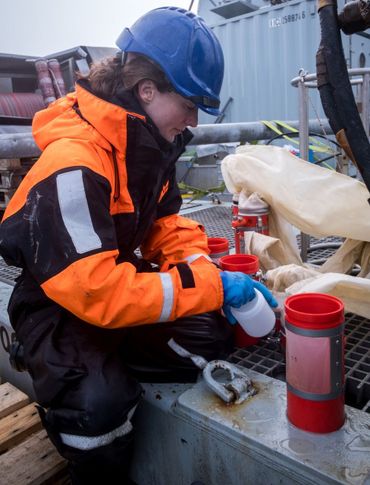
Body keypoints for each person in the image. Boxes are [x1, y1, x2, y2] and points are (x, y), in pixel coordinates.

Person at [0, 7, 277, 485]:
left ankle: (102, 361)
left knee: (210, 333)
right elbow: (95, 291)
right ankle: (73, 404)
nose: (192, 120)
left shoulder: (146, 146)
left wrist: (213, 280)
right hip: (59, 306)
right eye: (189, 103)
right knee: (100, 405)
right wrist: (213, 287)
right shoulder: (74, 163)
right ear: (146, 90)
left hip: (113, 287)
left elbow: (167, 227)